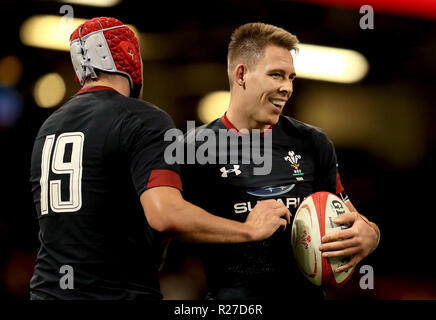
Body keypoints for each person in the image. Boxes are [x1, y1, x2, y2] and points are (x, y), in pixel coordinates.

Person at [28, 17, 291, 300]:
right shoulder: (142, 118)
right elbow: (165, 215)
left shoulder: (50, 127)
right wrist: (248, 230)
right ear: (130, 58)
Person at [179, 22, 380, 300]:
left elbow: (349, 215)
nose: (287, 87)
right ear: (241, 75)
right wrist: (247, 231)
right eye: (276, 75)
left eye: (291, 77)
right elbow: (173, 228)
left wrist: (370, 235)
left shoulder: (313, 142)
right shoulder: (195, 147)